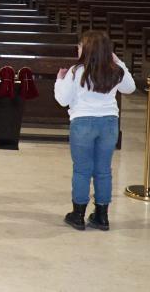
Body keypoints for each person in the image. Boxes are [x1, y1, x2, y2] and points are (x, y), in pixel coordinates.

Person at [54, 30, 136, 231]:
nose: (78, 49)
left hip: (83, 123)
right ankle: (102, 216)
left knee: (82, 170)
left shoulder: (76, 71)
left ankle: (78, 215)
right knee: (103, 170)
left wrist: (59, 80)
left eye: (80, 46)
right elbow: (130, 88)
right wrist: (119, 62)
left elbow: (62, 100)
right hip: (109, 123)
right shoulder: (115, 70)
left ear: (87, 49)